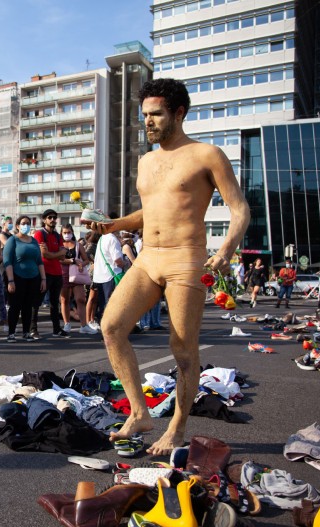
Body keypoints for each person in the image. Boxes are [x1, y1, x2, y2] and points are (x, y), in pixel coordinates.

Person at [89, 78, 250, 456]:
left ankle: (176, 429)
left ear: (179, 113)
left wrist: (226, 250)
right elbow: (152, 212)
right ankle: (140, 414)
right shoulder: (146, 161)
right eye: (144, 114)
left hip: (186, 259)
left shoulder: (207, 155)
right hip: (148, 257)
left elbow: (240, 209)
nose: (148, 121)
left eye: (156, 114)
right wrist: (113, 225)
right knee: (111, 327)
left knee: (182, 349)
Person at [2, 215, 46, 342]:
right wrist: (11, 280)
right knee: (15, 306)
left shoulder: (34, 241)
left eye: (28, 223)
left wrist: (43, 279)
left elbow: (39, 261)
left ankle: (26, 332)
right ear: (17, 226)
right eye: (23, 223)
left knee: (28, 306)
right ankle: (11, 333)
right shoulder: (13, 240)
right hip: (17, 277)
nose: (25, 225)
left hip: (33, 278)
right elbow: (7, 261)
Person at [31, 209, 68, 339]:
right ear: (44, 220)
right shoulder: (39, 234)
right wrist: (58, 253)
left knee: (54, 303)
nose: (52, 220)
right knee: (37, 302)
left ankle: (56, 329)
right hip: (44, 273)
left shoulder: (58, 236)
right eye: (49, 217)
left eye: (54, 217)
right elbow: (44, 255)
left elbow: (62, 257)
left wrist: (54, 254)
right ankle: (33, 329)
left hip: (57, 273)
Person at [59, 224, 97, 335]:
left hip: (76, 274)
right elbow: (58, 259)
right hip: (63, 274)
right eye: (65, 232)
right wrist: (72, 261)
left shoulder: (77, 245)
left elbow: (86, 260)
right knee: (64, 300)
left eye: (69, 232)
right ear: (61, 233)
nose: (67, 234)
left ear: (72, 232)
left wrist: (81, 264)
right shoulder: (59, 245)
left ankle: (84, 325)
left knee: (80, 299)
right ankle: (67, 324)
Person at [91, 218, 124, 323]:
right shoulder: (113, 239)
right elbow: (117, 260)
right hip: (111, 276)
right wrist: (126, 264)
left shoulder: (102, 238)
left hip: (100, 277)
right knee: (112, 304)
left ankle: (104, 327)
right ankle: (111, 328)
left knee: (103, 305)